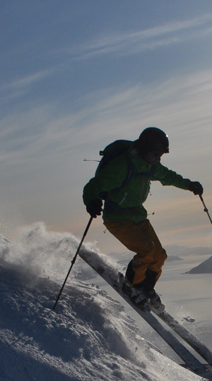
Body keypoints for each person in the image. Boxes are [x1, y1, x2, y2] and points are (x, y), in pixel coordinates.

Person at [82, 127, 203, 307]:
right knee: (146, 250)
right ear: (144, 148)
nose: (158, 158)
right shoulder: (123, 166)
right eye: (156, 154)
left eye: (160, 155)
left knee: (159, 255)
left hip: (137, 215)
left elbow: (168, 176)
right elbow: (94, 186)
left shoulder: (150, 166)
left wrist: (189, 185)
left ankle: (146, 288)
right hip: (117, 218)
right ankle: (133, 286)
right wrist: (91, 202)